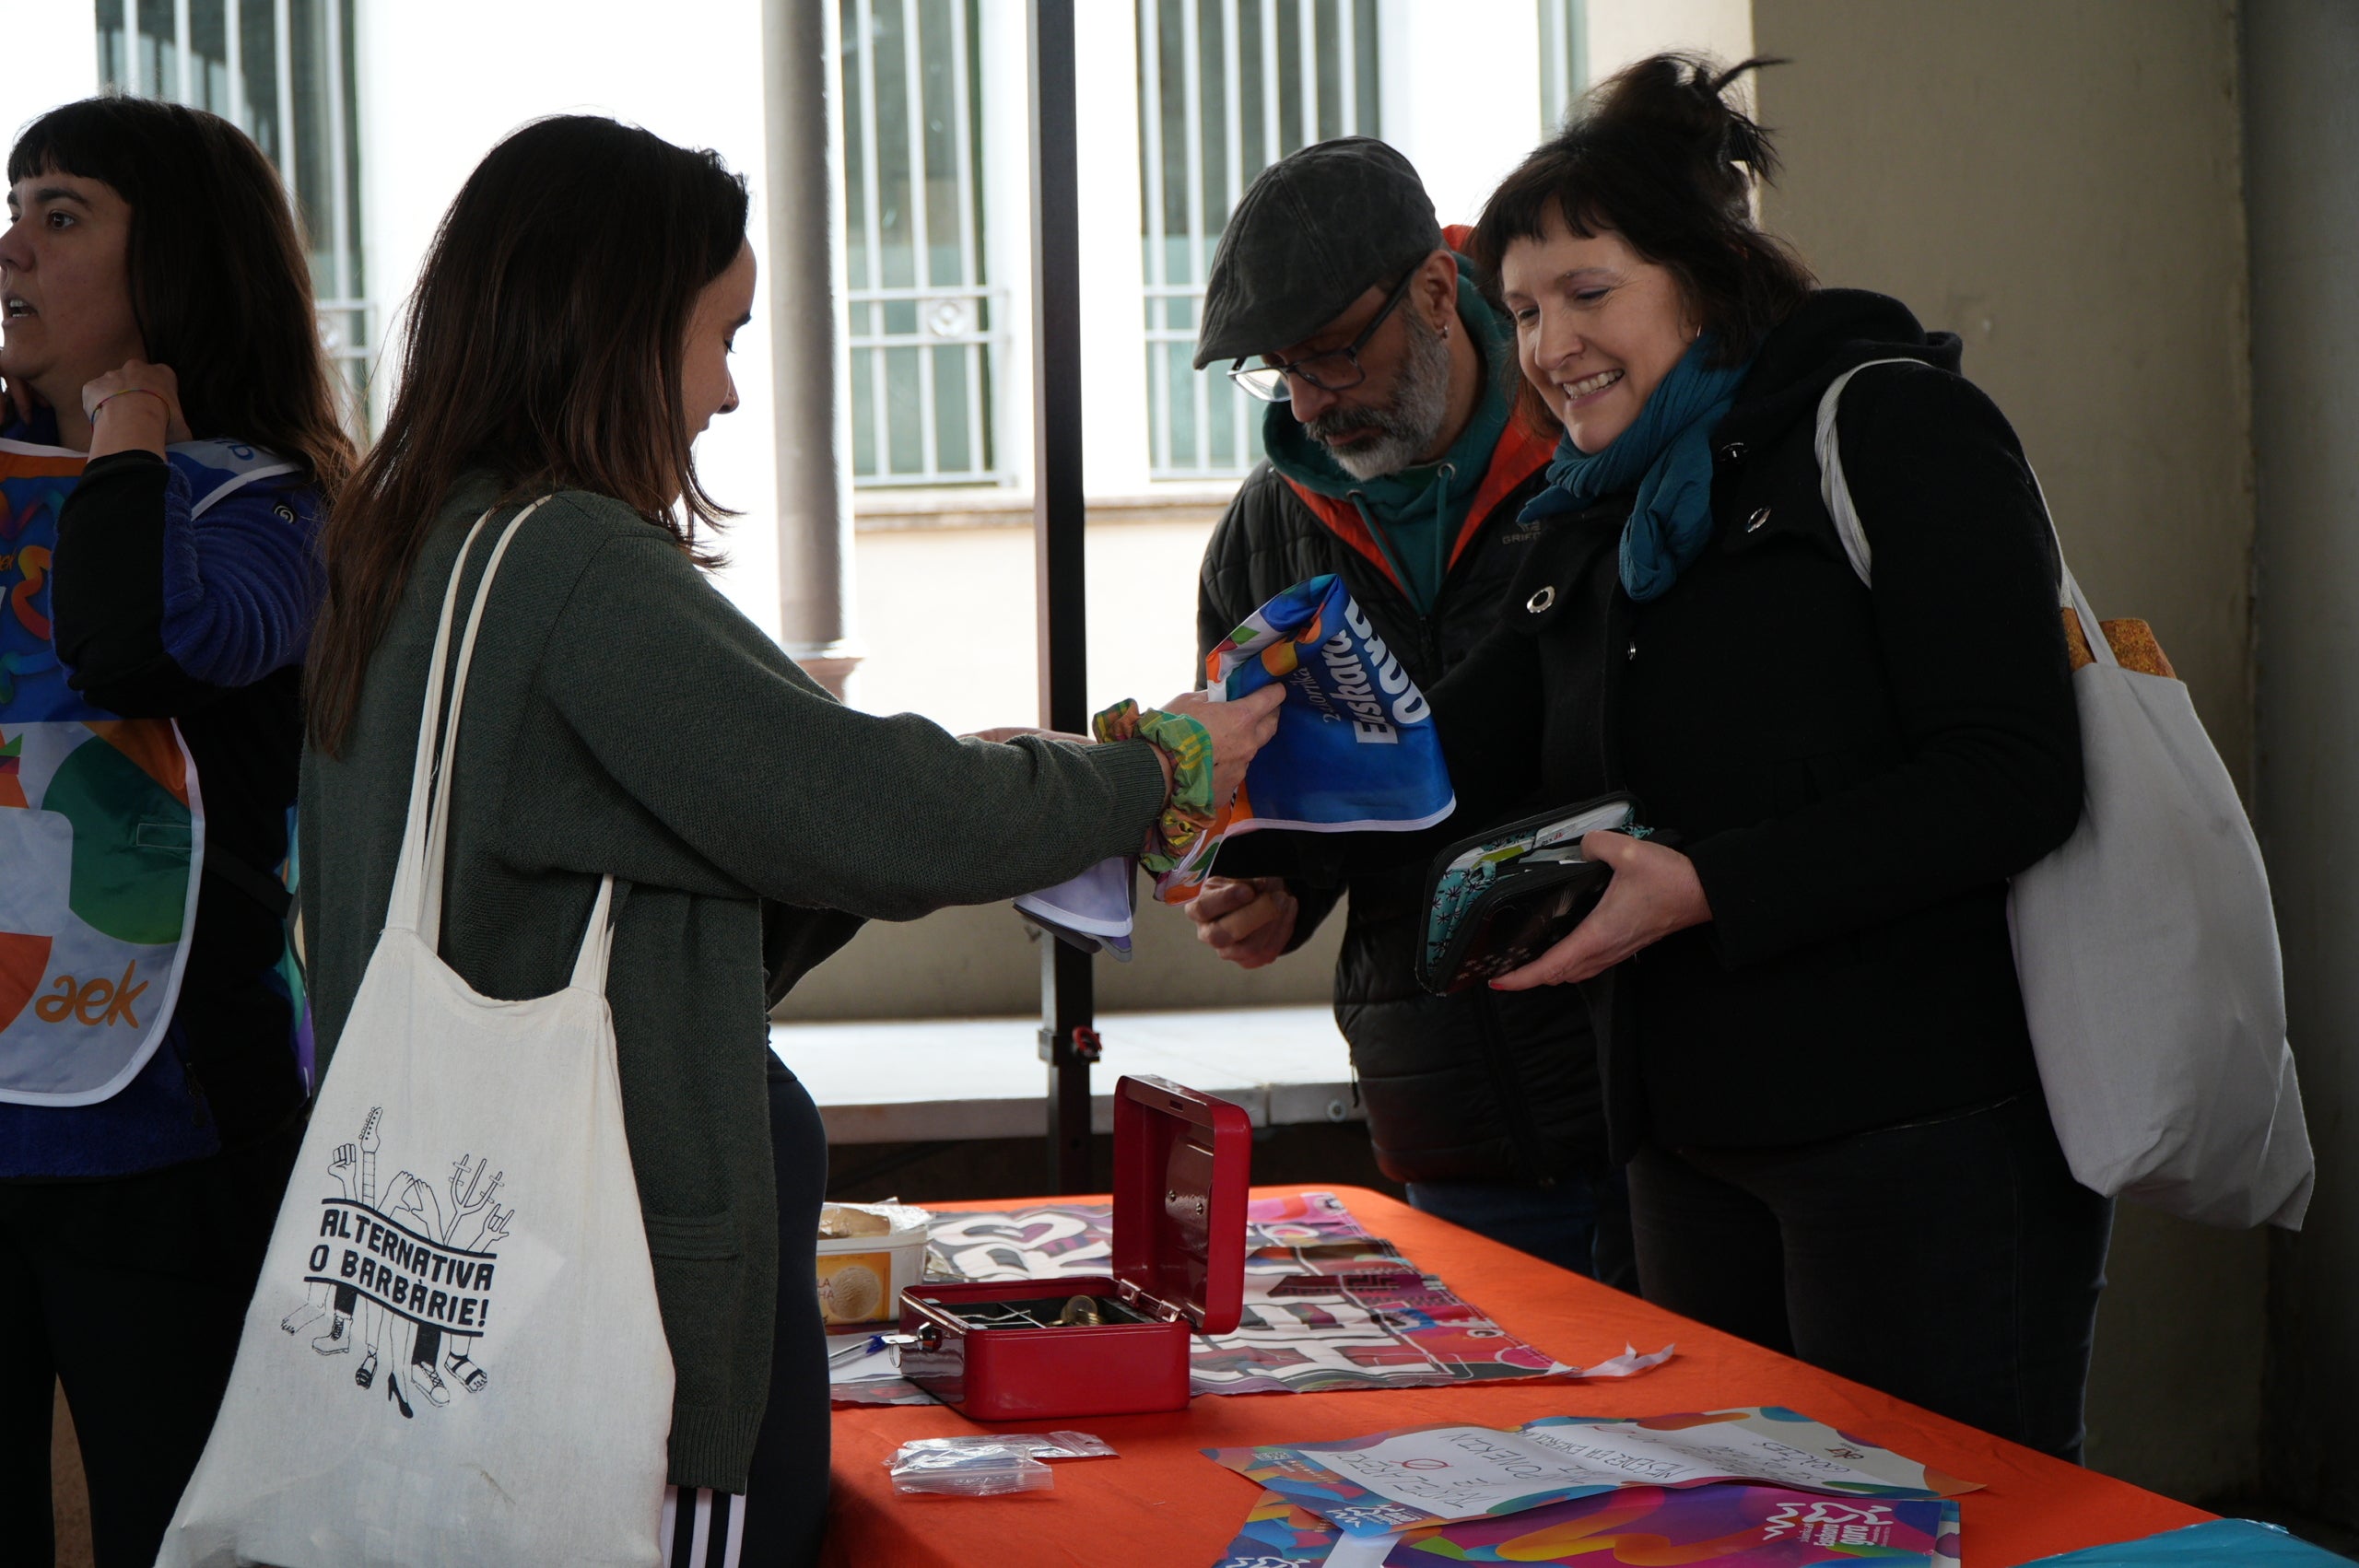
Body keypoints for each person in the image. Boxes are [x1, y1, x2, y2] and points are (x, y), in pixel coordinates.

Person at [297, 116, 1280, 1567]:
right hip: (612, 1299)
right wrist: (1151, 770)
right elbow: (861, 808)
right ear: (617, 330)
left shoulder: (420, 539)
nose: (728, 391)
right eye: (720, 334)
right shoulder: (569, 563)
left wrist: (1006, 789)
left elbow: (712, 855)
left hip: (477, 1274)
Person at [1433, 54, 2111, 1459]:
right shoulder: (1586, 510)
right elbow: (1452, 755)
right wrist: (1229, 787)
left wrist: (1711, 887)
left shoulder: (1888, 425)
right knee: (1731, 1533)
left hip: (1920, 1132)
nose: (1550, 345)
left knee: (1939, 1524)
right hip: (1681, 1135)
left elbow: (2011, 773)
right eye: (1520, 311)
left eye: (1588, 291)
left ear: (1704, 269)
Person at [0, 98, 354, 1565]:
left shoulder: (275, 508)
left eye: (62, 212)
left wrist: (129, 438)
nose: (12, 243)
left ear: (183, 262)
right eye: (14, 204)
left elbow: (134, 643)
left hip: (170, 1121)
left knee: (188, 1531)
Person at [1180, 136, 1632, 1286]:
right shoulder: (1262, 536)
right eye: (1280, 370)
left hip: (1656, 1088)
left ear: (1436, 290)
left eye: (1335, 355)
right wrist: (1272, 889)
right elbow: (1287, 799)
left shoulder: (1602, 452)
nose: (1310, 401)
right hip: (1448, 1117)